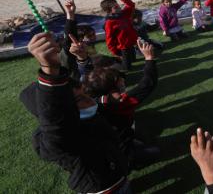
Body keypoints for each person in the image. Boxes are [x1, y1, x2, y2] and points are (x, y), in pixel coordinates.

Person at [19, 32, 130, 193]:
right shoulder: (60, 138)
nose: (91, 100)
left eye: (86, 95)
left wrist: (82, 58)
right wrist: (49, 71)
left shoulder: (88, 112)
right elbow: (55, 120)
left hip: (119, 173)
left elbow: (89, 82)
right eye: (80, 100)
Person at [83, 39, 160, 166]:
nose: (123, 81)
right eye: (119, 80)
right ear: (114, 86)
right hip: (119, 147)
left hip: (105, 140)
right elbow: (147, 85)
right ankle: (128, 162)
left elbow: (88, 78)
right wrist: (149, 59)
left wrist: (82, 59)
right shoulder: (120, 102)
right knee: (154, 151)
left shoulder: (91, 99)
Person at [102, 0, 138, 70]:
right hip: (123, 47)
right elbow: (109, 39)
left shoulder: (123, 14)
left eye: (118, 5)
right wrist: (115, 51)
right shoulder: (109, 23)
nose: (119, 7)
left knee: (134, 59)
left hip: (131, 43)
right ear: (109, 11)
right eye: (115, 7)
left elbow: (131, 5)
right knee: (127, 67)